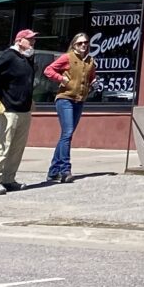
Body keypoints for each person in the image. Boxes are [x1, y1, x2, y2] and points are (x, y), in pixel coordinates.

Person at [0, 28, 37, 194]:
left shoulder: (27, 59)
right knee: (4, 145)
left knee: (17, 147)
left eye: (33, 39)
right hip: (9, 109)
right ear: (19, 41)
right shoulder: (9, 56)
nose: (33, 42)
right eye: (29, 39)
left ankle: (9, 179)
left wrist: (30, 100)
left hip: (24, 109)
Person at [41, 32, 96, 184]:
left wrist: (94, 83)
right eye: (80, 43)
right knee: (68, 133)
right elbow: (48, 70)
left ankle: (53, 172)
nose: (83, 45)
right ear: (74, 45)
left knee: (66, 135)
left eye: (85, 43)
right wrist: (61, 79)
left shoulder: (91, 61)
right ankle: (65, 170)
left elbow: (91, 77)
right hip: (65, 99)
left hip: (79, 100)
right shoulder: (67, 57)